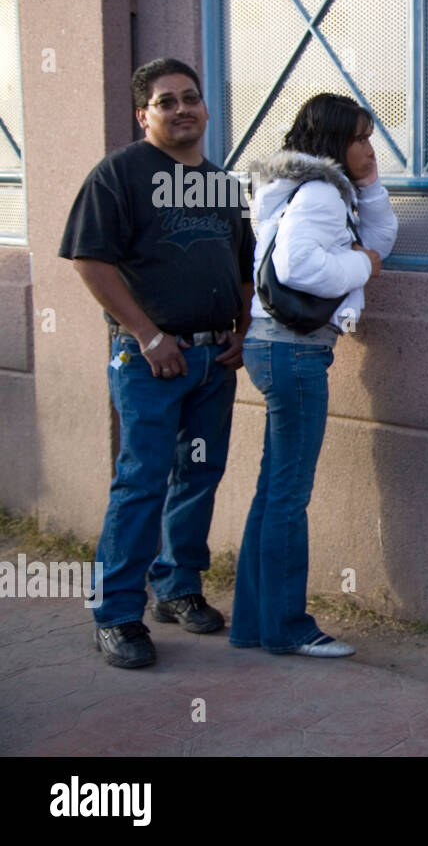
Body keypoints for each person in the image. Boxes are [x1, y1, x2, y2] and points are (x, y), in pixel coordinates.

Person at [59, 58, 253, 668]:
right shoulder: (119, 174)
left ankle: (177, 587)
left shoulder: (222, 183)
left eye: (190, 97)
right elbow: (90, 259)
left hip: (211, 359)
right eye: (166, 101)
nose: (182, 109)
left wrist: (242, 331)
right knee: (141, 480)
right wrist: (146, 336)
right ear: (144, 115)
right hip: (148, 360)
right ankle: (117, 613)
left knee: (198, 474)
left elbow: (242, 268)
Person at [230, 92, 397, 658]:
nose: (369, 148)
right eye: (360, 138)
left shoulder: (302, 187)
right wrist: (362, 266)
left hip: (274, 347)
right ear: (332, 141)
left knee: (272, 490)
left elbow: (380, 237)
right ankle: (287, 628)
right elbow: (297, 265)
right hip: (294, 352)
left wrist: (371, 186)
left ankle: (254, 624)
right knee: (288, 496)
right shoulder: (323, 194)